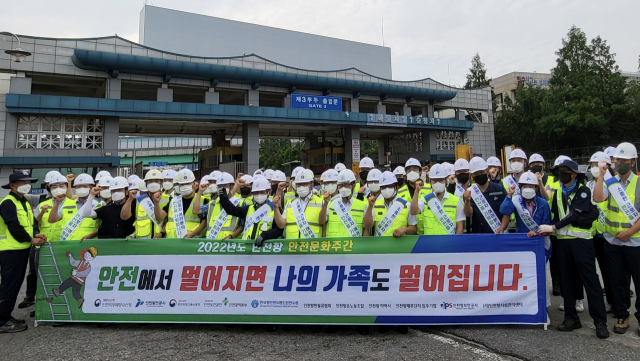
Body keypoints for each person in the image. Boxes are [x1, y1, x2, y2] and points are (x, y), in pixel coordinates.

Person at [538, 158, 608, 338]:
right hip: (562, 243)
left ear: (575, 173)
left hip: (581, 243)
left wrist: (553, 228)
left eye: (566, 170)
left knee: (590, 281)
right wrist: (542, 229)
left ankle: (600, 321)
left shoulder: (583, 191)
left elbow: (575, 215)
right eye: (560, 170)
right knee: (566, 282)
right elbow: (554, 215)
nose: (562, 173)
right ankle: (571, 318)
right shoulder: (557, 192)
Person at [593, 142, 640, 336]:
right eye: (617, 160)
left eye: (624, 160)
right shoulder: (609, 182)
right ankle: (622, 315)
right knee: (617, 281)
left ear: (632, 162)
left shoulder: (638, 183)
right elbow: (597, 198)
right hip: (612, 242)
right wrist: (602, 175)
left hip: (635, 241)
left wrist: (629, 232)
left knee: (638, 281)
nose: (619, 163)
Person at [0, 172, 46, 333]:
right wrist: (31, 240)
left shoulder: (23, 202)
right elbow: (14, 226)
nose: (27, 184)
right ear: (12, 185)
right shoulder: (8, 203)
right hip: (10, 250)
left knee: (15, 284)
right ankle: (2, 320)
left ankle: (5, 315)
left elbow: (28, 224)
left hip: (20, 249)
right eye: (23, 182)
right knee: (10, 284)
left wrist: (35, 234)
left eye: (28, 182)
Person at [586, 151, 620, 313]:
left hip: (609, 233)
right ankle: (604, 302)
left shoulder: (613, 184)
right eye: (592, 165)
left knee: (610, 272)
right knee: (594, 271)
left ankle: (615, 302)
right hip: (592, 234)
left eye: (597, 165)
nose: (594, 168)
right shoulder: (589, 185)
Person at [218, 176, 282, 245]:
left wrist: (265, 235)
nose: (259, 195)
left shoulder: (275, 209)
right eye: (256, 193)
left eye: (262, 192)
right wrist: (223, 197)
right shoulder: (248, 209)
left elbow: (280, 229)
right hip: (247, 249)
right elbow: (231, 210)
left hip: (265, 250)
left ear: (268, 193)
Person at [411, 164, 465, 235]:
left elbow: (460, 228)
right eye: (435, 180)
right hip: (430, 244)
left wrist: (455, 245)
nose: (438, 183)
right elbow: (413, 211)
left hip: (448, 244)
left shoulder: (456, 201)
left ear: (445, 181)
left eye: (440, 180)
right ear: (430, 181)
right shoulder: (425, 200)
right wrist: (416, 191)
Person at [152, 169, 207, 239]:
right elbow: (159, 218)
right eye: (182, 184)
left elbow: (204, 222)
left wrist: (192, 234)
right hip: (172, 241)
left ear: (193, 183)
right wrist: (156, 202)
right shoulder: (173, 201)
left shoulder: (202, 199)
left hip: (192, 240)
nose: (185, 186)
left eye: (188, 183)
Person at [463, 157, 510, 234]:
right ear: (472, 175)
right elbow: (468, 214)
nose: (479, 175)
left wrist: (502, 228)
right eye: (476, 173)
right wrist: (467, 202)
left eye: (481, 172)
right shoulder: (469, 192)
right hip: (478, 235)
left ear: (487, 171)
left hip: (498, 233)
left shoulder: (499, 189)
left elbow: (507, 212)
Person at [49, 173, 102, 241]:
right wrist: (57, 202)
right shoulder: (67, 204)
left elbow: (104, 226)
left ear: (91, 187)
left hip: (89, 246)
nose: (81, 188)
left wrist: (90, 236)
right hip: (69, 246)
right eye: (78, 186)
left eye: (84, 186)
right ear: (75, 188)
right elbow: (52, 220)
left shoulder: (99, 204)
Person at [364, 171, 417, 238]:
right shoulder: (374, 205)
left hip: (399, 246)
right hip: (380, 246)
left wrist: (405, 229)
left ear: (396, 187)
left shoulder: (406, 205)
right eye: (383, 187)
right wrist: (370, 207)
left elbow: (414, 228)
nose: (387, 189)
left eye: (390, 186)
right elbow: (367, 226)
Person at [275, 169, 323, 238]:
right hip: (292, 246)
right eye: (299, 184)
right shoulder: (290, 204)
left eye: (305, 184)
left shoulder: (320, 202)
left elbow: (324, 227)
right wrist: (276, 208)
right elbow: (281, 225)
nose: (302, 186)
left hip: (312, 246)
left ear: (311, 184)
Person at [320, 169, 368, 237]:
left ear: (353, 185)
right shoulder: (330, 203)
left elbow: (365, 230)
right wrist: (325, 204)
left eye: (347, 185)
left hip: (354, 246)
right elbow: (322, 222)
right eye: (340, 185)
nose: (343, 188)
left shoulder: (362, 205)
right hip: (335, 246)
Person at [194, 172, 241, 240]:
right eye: (219, 186)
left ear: (232, 186)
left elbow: (242, 225)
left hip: (230, 244)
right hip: (212, 244)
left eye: (225, 186)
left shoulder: (239, 203)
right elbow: (196, 211)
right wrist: (199, 192)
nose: (222, 188)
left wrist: (231, 236)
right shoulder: (212, 204)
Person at [121, 169, 163, 239]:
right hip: (142, 243)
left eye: (156, 181)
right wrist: (130, 199)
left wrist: (162, 233)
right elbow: (124, 216)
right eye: (150, 181)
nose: (153, 183)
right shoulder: (139, 200)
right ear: (146, 183)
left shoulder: (168, 199)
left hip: (162, 242)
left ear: (161, 183)